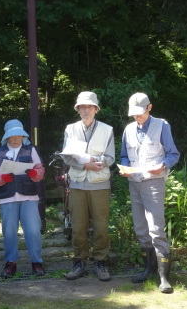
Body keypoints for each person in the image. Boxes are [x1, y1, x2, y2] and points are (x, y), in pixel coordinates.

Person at [119, 92, 180, 294]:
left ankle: (164, 277)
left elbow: (173, 154)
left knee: (156, 229)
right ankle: (148, 269)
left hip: (154, 183)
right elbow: (124, 156)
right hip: (134, 183)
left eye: (140, 113)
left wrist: (162, 165)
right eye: (134, 114)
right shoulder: (128, 129)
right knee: (140, 229)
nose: (137, 117)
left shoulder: (162, 125)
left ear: (149, 108)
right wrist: (124, 168)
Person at [61, 91, 115, 282]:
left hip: (99, 184)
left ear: (95, 109)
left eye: (89, 107)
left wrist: (94, 161)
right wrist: (84, 165)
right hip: (77, 183)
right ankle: (79, 262)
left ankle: (101, 261)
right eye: (82, 107)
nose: (85, 110)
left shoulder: (107, 130)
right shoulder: (70, 129)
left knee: (101, 226)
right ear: (78, 110)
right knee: (78, 226)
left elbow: (110, 158)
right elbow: (67, 156)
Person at [0, 119, 45, 277]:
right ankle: (11, 263)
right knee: (9, 232)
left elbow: (40, 169)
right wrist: (1, 177)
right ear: (7, 137)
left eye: (19, 135)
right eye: (12, 136)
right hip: (7, 197)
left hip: (29, 196)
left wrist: (35, 174)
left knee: (33, 230)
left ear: (23, 136)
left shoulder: (30, 150)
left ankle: (36, 262)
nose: (16, 138)